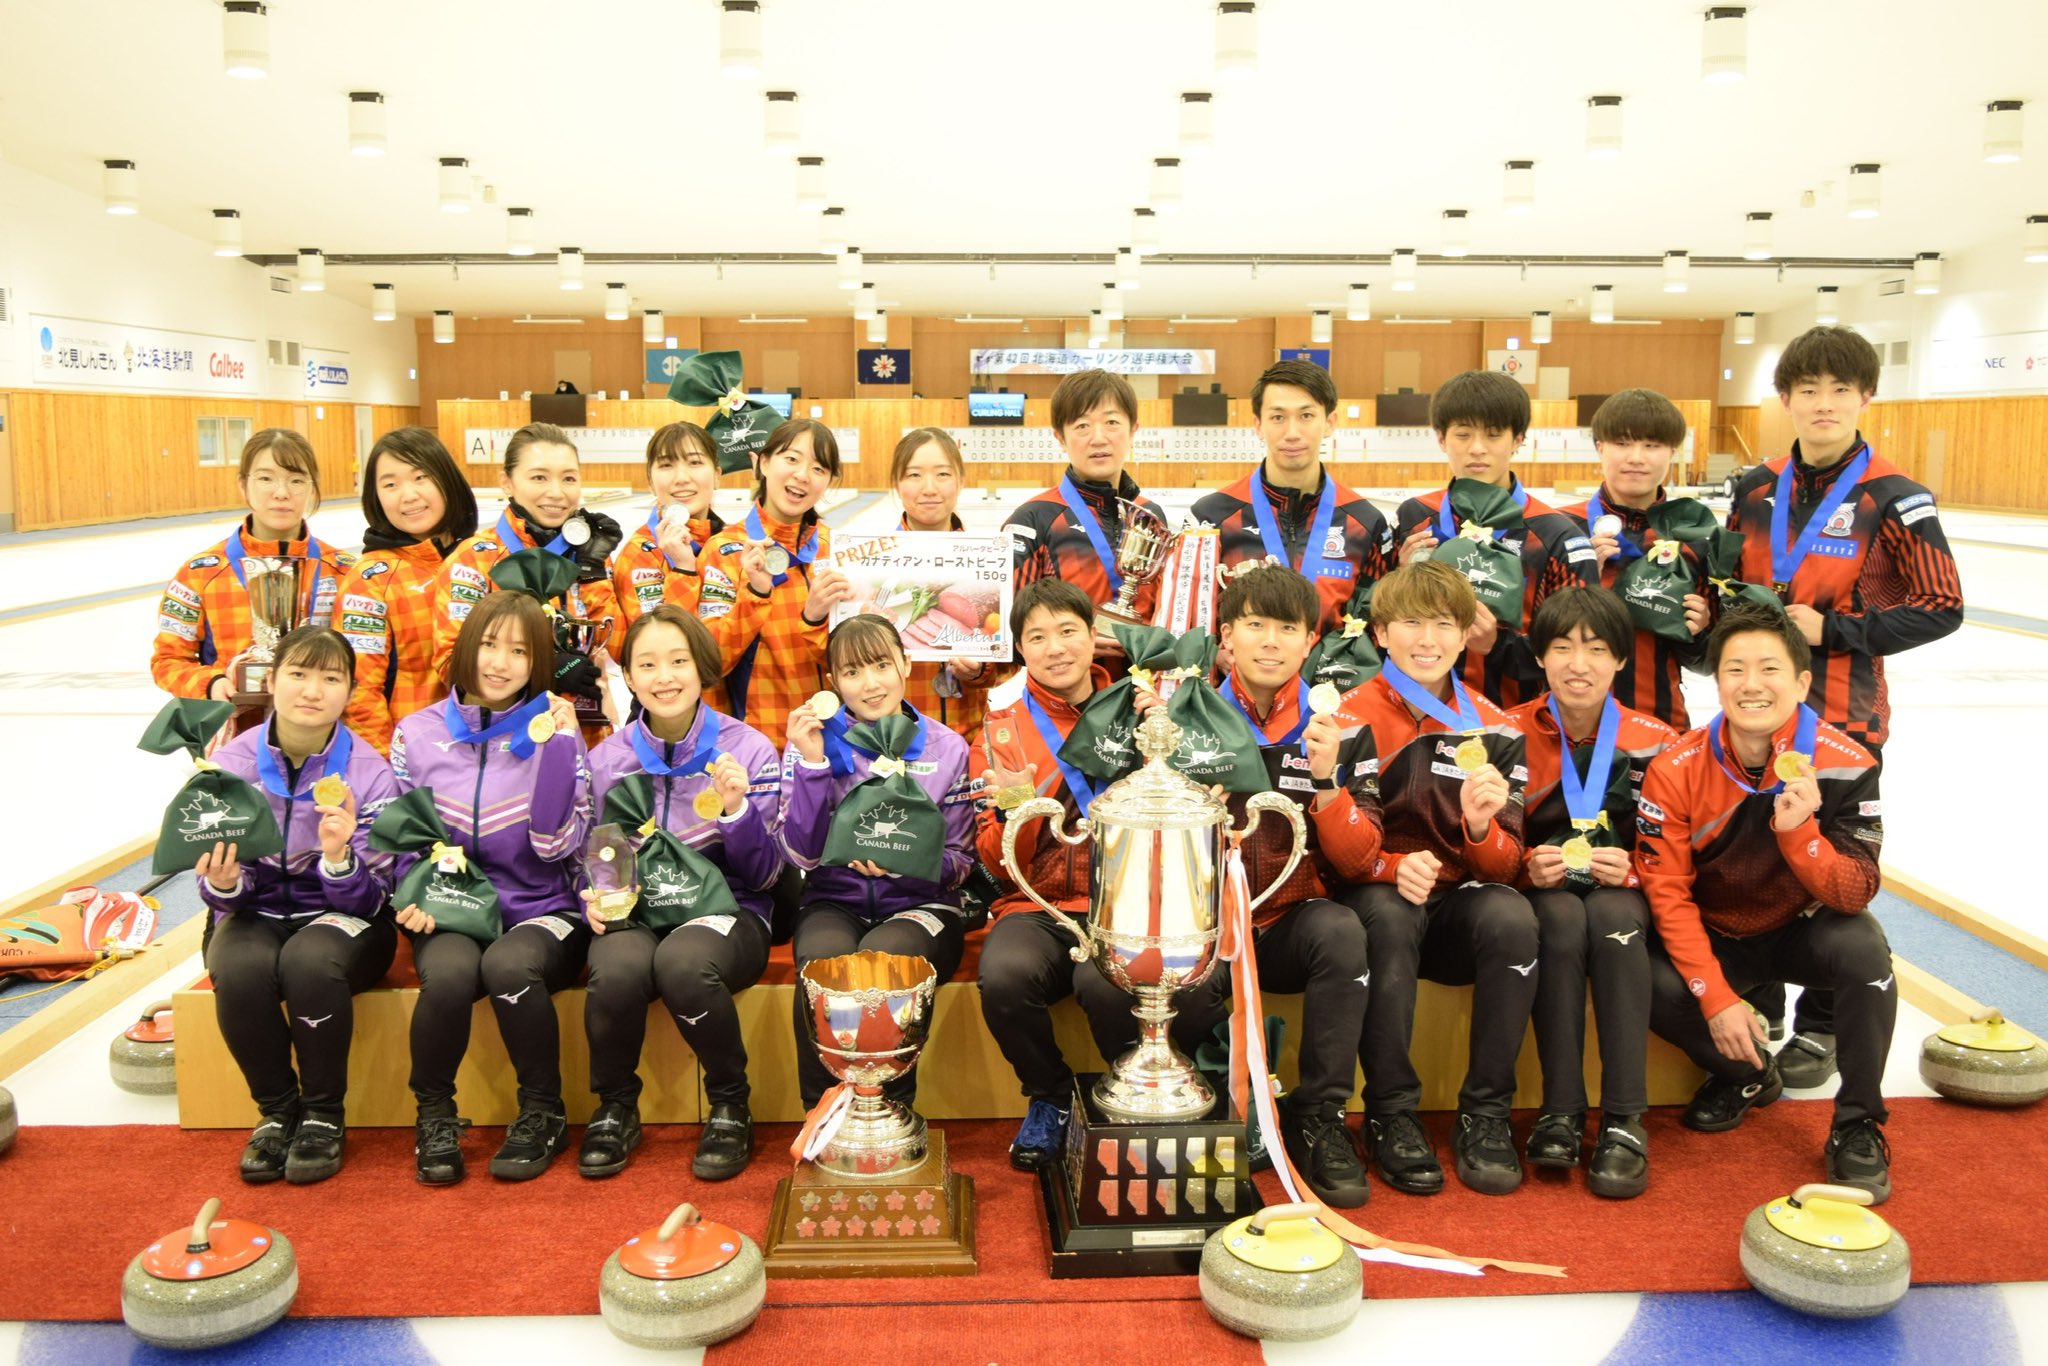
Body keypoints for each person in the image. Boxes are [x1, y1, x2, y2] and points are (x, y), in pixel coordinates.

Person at [1724, 326, 1963, 1085]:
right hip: (1752, 713)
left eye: (1839, 390)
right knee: (1749, 860)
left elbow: (1942, 606)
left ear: (1866, 397)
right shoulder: (1753, 488)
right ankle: (1759, 1000)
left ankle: (1823, 1023)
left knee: (1833, 868)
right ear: (1786, 399)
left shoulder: (1896, 496)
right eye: (1808, 390)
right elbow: (1729, 588)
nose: (1823, 404)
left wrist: (1836, 630)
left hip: (1843, 719)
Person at [1639, 603, 1895, 1201]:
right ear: (1717, 681)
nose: (1751, 684)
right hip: (1718, 934)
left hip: (1800, 931)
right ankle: (1747, 1073)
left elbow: (1856, 891)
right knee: (1632, 969)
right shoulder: (1674, 768)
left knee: (1864, 949)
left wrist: (1800, 833)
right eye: (1735, 669)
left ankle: (1859, 1123)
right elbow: (1667, 894)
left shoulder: (1847, 762)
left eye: (1769, 669)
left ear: (1802, 682)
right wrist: (1716, 998)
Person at [1163, 564, 1381, 1207]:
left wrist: (1328, 782)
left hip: (1289, 919)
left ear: (1311, 641)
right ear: (1226, 636)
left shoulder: (1340, 728)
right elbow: (1152, 851)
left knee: (1341, 931)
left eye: (1287, 629)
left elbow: (1360, 860)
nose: (1269, 641)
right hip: (1204, 926)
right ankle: (1199, 1114)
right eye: (1254, 625)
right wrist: (1192, 817)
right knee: (1171, 970)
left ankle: (1320, 1118)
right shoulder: (1181, 722)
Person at [973, 579, 1210, 1169]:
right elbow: (995, 863)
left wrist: (1164, 743)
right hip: (1041, 904)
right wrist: (1021, 805)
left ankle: (1133, 1103)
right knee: (1003, 977)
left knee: (1108, 986)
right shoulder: (1002, 727)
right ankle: (1050, 1096)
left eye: (1068, 631)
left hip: (1134, 901)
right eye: (1037, 637)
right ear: (1020, 649)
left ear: (1093, 636)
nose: (1055, 648)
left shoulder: (1142, 706)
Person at [1335, 560, 1537, 1197]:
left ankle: (1487, 1113)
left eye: (1445, 624)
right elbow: (1339, 854)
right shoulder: (1347, 717)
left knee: (1512, 916)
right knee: (1389, 912)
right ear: (1380, 633)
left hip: (1455, 905)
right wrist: (1393, 866)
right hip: (1376, 900)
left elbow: (1506, 867)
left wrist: (1478, 828)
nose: (1428, 640)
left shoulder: (1497, 728)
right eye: (1412, 623)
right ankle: (1391, 1112)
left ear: (1466, 633)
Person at [393, 592, 592, 1184]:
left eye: (520, 651)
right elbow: (400, 840)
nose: (500, 663)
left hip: (544, 908)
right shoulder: (416, 734)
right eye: (488, 644)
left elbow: (558, 847)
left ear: (538, 664)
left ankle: (543, 1110)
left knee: (509, 966)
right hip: (452, 907)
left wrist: (558, 752)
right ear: (465, 647)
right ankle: (434, 1116)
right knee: (449, 974)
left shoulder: (556, 731)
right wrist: (412, 897)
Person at [580, 607, 782, 1180]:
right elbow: (593, 857)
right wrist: (592, 897)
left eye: (678, 661)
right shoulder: (607, 760)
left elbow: (767, 875)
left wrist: (737, 811)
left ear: (703, 668)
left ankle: (730, 1103)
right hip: (641, 914)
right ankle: (616, 1106)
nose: (664, 677)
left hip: (731, 912)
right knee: (615, 967)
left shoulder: (748, 749)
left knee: (684, 960)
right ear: (628, 676)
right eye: (647, 665)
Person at [196, 625, 399, 1185]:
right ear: (272, 680)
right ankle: (277, 1112)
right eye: (299, 674)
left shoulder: (370, 773)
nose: (312, 691)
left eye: (330, 678)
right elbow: (214, 889)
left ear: (350, 690)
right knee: (238, 966)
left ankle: (323, 1116)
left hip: (347, 918)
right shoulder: (229, 767)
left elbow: (375, 897)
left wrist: (338, 858)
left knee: (309, 960)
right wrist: (226, 881)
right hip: (256, 912)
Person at [1504, 587, 1679, 1198]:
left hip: (1622, 890)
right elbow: (1487, 838)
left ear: (1622, 659)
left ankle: (1626, 1118)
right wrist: (1523, 865)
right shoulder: (1506, 732)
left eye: (1597, 649)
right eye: (1562, 648)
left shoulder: (1657, 739)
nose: (1579, 664)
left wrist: (1634, 869)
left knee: (1613, 916)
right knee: (1557, 917)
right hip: (1544, 891)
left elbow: (1676, 849)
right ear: (1539, 656)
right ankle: (1560, 1109)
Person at [777, 616, 976, 1111]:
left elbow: (961, 861)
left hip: (923, 907)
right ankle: (821, 1115)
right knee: (821, 967)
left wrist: (909, 864)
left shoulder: (947, 748)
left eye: (882, 665)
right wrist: (813, 765)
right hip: (834, 902)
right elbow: (801, 854)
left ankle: (892, 1112)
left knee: (887, 960)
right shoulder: (812, 741)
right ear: (833, 682)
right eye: (852, 672)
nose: (870, 684)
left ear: (905, 664)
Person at [1391, 371, 1596, 709]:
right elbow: (1377, 624)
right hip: (1416, 713)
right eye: (1463, 434)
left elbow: (1579, 653)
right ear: (1441, 438)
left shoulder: (1556, 535)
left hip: (1514, 719)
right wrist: (1398, 583)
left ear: (1518, 439)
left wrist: (1497, 644)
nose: (1477, 449)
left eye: (1493, 434)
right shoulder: (1415, 518)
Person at [433, 423, 626, 743]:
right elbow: (451, 663)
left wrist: (591, 571)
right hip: (503, 743)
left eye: (569, 478)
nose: (557, 492)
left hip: (585, 739)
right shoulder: (474, 560)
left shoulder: (588, 556)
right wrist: (546, 667)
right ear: (506, 482)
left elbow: (616, 647)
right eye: (539, 477)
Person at [1190, 359, 1393, 640]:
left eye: (1306, 416)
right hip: (1238, 670)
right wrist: (1217, 654)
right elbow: (1191, 622)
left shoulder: (1365, 523)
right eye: (1278, 417)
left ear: (1330, 422)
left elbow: (1378, 626)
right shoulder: (1211, 518)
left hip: (1335, 669)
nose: (1292, 433)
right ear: (1258, 425)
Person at [151, 428, 355, 703]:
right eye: (266, 478)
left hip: (322, 722)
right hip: (235, 725)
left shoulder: (345, 573)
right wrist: (211, 683)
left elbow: (368, 663)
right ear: (243, 484)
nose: (281, 493)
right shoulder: (200, 574)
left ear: (312, 486)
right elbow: (168, 660)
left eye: (296, 480)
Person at [1562, 390, 1712, 730]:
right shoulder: (1560, 529)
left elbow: (1705, 664)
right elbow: (1533, 643)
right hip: (1567, 727)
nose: (1636, 458)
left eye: (1652, 445)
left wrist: (1699, 632)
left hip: (1661, 725)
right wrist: (1581, 582)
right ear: (1600, 447)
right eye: (1622, 443)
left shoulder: (1695, 537)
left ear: (1672, 452)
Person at [697, 419, 848, 749]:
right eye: (791, 459)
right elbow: (711, 663)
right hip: (755, 743)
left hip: (830, 741)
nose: (803, 475)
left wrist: (815, 620)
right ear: (763, 463)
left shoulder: (836, 550)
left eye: (819, 468)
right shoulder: (724, 551)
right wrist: (755, 594)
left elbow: (855, 659)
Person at [1004, 369, 1167, 667]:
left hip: (1144, 685)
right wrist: (1074, 645)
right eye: (1082, 426)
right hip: (1066, 685)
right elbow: (1008, 629)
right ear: (1060, 437)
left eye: (1112, 422)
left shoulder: (1150, 516)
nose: (1098, 438)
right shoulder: (1034, 518)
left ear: (1133, 430)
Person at [336, 427, 480, 755]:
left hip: (492, 754)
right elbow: (360, 694)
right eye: (390, 484)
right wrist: (390, 768)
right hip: (415, 759)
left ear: (447, 480)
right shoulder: (370, 579)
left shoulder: (484, 558)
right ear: (375, 497)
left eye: (420, 477)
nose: (409, 495)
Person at [891, 427, 993, 739]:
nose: (929, 488)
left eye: (943, 474)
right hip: (893, 735)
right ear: (896, 483)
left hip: (968, 733)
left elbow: (1011, 657)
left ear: (961, 480)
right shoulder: (869, 565)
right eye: (914, 475)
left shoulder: (989, 562)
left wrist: (982, 670)